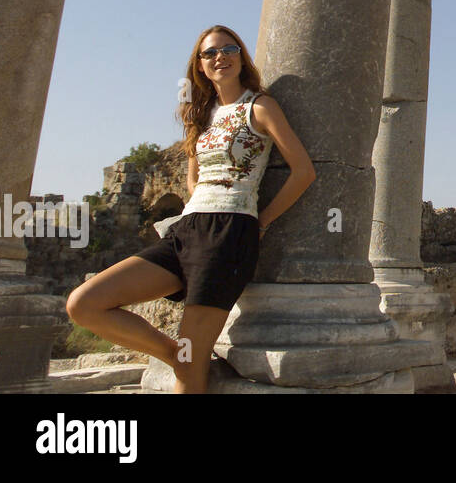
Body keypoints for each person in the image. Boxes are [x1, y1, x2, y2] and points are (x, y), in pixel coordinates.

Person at [66, 25, 316, 393]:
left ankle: (188, 357)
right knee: (84, 304)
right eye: (210, 52)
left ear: (241, 57)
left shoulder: (260, 107)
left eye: (229, 49)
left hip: (230, 232)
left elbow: (304, 172)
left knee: (189, 367)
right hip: (185, 230)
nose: (220, 57)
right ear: (199, 66)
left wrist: (260, 222)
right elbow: (193, 181)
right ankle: (179, 353)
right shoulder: (200, 117)